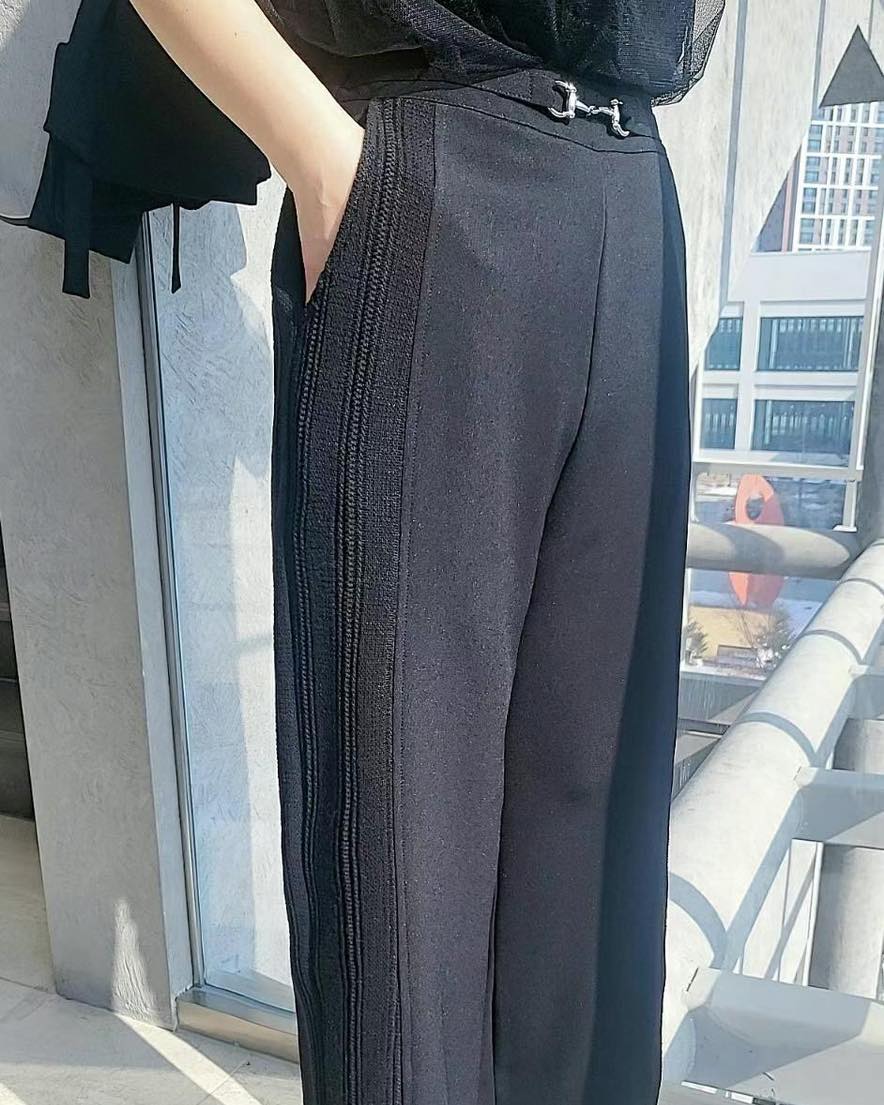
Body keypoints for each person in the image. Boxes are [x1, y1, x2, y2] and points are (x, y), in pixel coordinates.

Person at [10, 2, 726, 1103]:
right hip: (436, 174)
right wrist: (327, 164)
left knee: (598, 870)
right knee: (397, 869)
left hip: (631, 197)